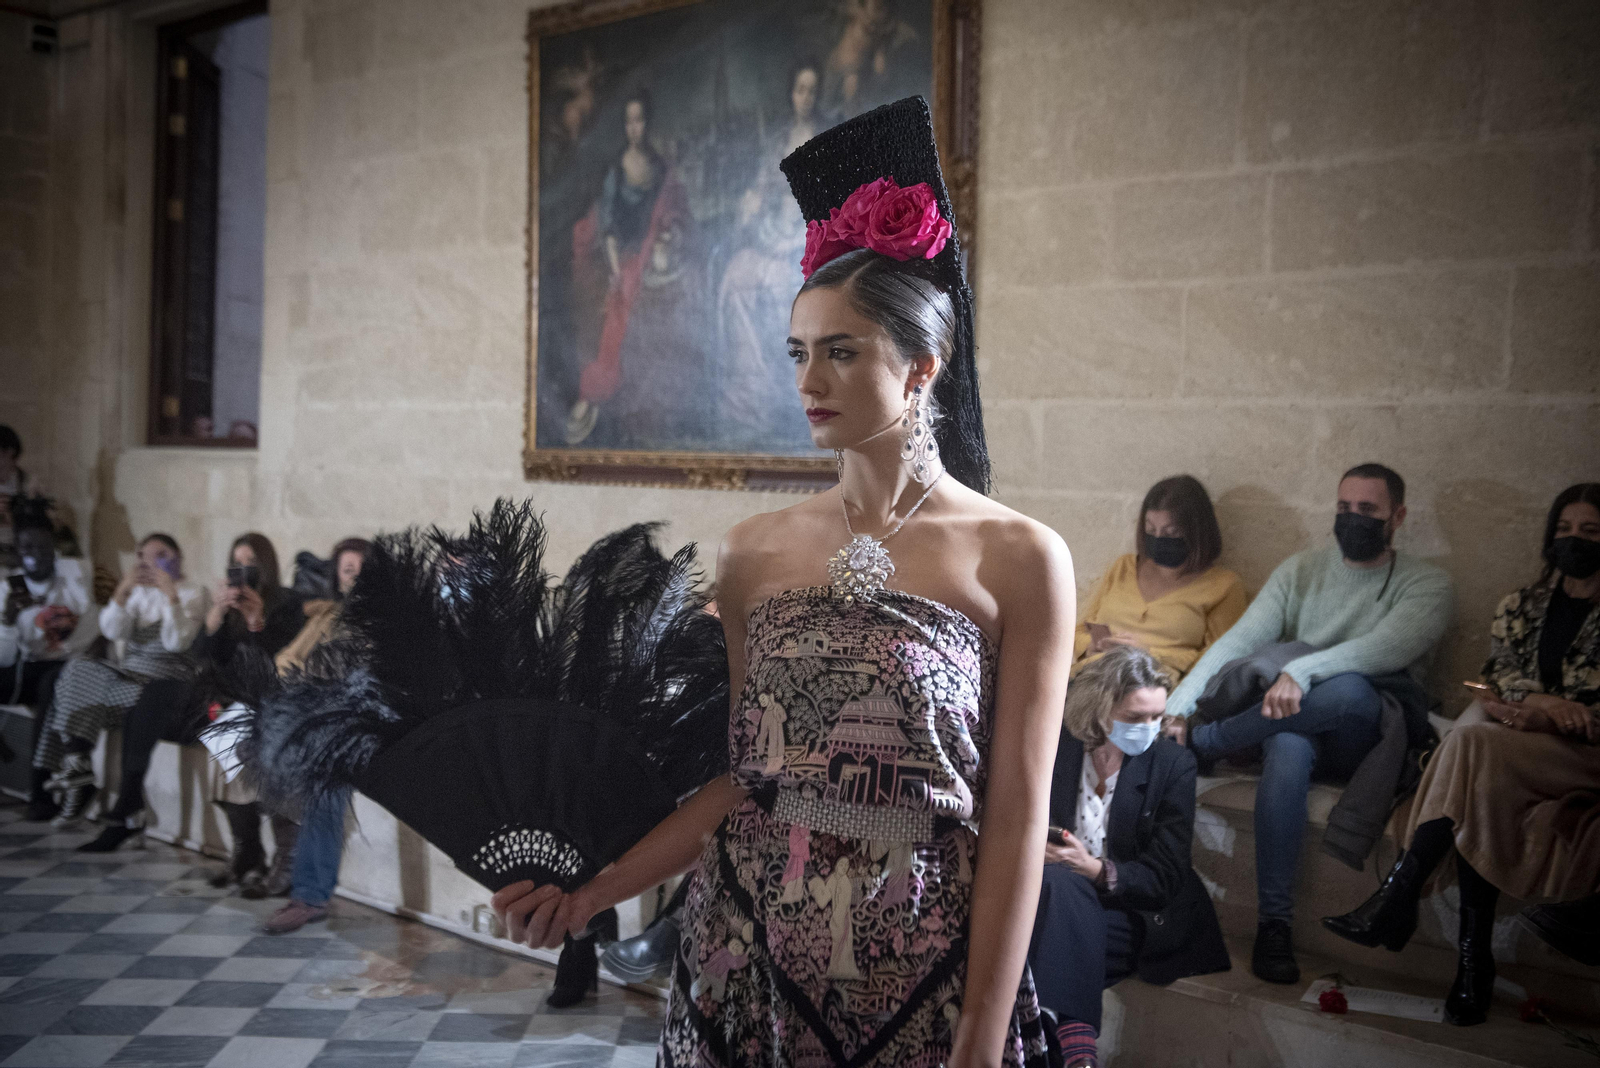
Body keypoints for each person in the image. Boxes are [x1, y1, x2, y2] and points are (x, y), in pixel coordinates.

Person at [493, 98, 1072, 1067]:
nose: (810, 380)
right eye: (799, 353)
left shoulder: (1017, 555)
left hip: (922, 961)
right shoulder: (754, 552)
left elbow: (1014, 819)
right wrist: (590, 894)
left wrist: (977, 1034)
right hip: (744, 954)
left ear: (922, 368)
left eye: (842, 352)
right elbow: (745, 781)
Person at [1164, 463, 1453, 984]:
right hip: (1291, 722)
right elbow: (1240, 641)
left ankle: (1211, 742)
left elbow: (1385, 649)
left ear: (1398, 516)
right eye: (1344, 508)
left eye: (1368, 510)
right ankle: (1275, 925)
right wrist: (1180, 708)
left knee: (1346, 688)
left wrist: (1301, 669)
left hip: (1365, 733)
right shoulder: (1300, 570)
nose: (1353, 519)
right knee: (1290, 747)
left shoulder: (1427, 583)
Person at [1323, 482, 1600, 1026]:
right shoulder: (1522, 604)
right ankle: (1472, 965)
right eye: (1565, 530)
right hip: (1513, 746)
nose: (1574, 540)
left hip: (1583, 751)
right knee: (1480, 777)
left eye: (1589, 532)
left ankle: (1399, 893)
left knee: (1471, 745)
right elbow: (1498, 676)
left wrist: (1556, 712)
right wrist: (1537, 702)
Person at [1028, 645, 1229, 1068]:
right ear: (1098, 710)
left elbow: (1166, 875)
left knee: (1036, 941)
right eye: (1135, 718)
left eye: (1158, 717)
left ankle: (1060, 1045)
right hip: (1056, 901)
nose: (1150, 728)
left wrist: (1097, 870)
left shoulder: (1173, 764)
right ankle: (1078, 1056)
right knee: (1058, 893)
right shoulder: (1059, 746)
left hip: (1136, 912)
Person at [31, 534, 207, 825]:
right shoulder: (137, 593)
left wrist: (170, 596)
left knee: (66, 691)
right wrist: (123, 591)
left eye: (159, 554)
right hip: (128, 677)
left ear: (175, 557)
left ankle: (79, 779)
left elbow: (177, 643)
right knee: (76, 669)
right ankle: (79, 764)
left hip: (161, 686)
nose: (149, 562)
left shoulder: (193, 592)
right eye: (142, 556)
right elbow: (112, 631)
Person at [261, 537, 373, 933]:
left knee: (326, 773)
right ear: (338, 578)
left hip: (363, 721)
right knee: (239, 730)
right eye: (347, 571)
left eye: (361, 570)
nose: (354, 578)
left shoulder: (383, 619)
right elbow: (286, 660)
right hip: (318, 713)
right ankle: (286, 856)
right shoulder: (325, 617)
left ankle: (309, 894)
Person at [194, 534, 304, 890]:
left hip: (280, 701)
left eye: (251, 563)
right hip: (237, 702)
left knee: (237, 737)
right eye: (236, 564)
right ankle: (248, 853)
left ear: (267, 566)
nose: (244, 571)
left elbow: (281, 664)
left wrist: (258, 621)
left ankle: (278, 861)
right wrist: (214, 620)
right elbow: (205, 661)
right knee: (225, 732)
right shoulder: (229, 611)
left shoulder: (287, 603)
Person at [1073, 475, 1247, 682]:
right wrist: (1091, 646)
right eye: (1150, 530)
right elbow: (1077, 632)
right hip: (1095, 674)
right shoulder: (1123, 567)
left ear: (1196, 533)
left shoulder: (1223, 586)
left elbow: (1220, 659)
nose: (1158, 538)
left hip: (1153, 684)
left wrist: (1149, 653)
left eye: (1171, 532)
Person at [1, 499, 96, 751]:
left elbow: (106, 616)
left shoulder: (77, 573)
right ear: (18, 551)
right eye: (27, 547)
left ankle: (39, 781)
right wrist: (8, 622)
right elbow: (5, 659)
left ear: (53, 547)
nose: (35, 553)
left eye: (42, 546)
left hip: (73, 667)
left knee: (51, 685)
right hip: (30, 667)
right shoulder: (8, 588)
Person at [0, 427, 39, 567]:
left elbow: (39, 525)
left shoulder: (28, 484)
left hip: (20, 555)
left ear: (10, 452)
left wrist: (18, 512)